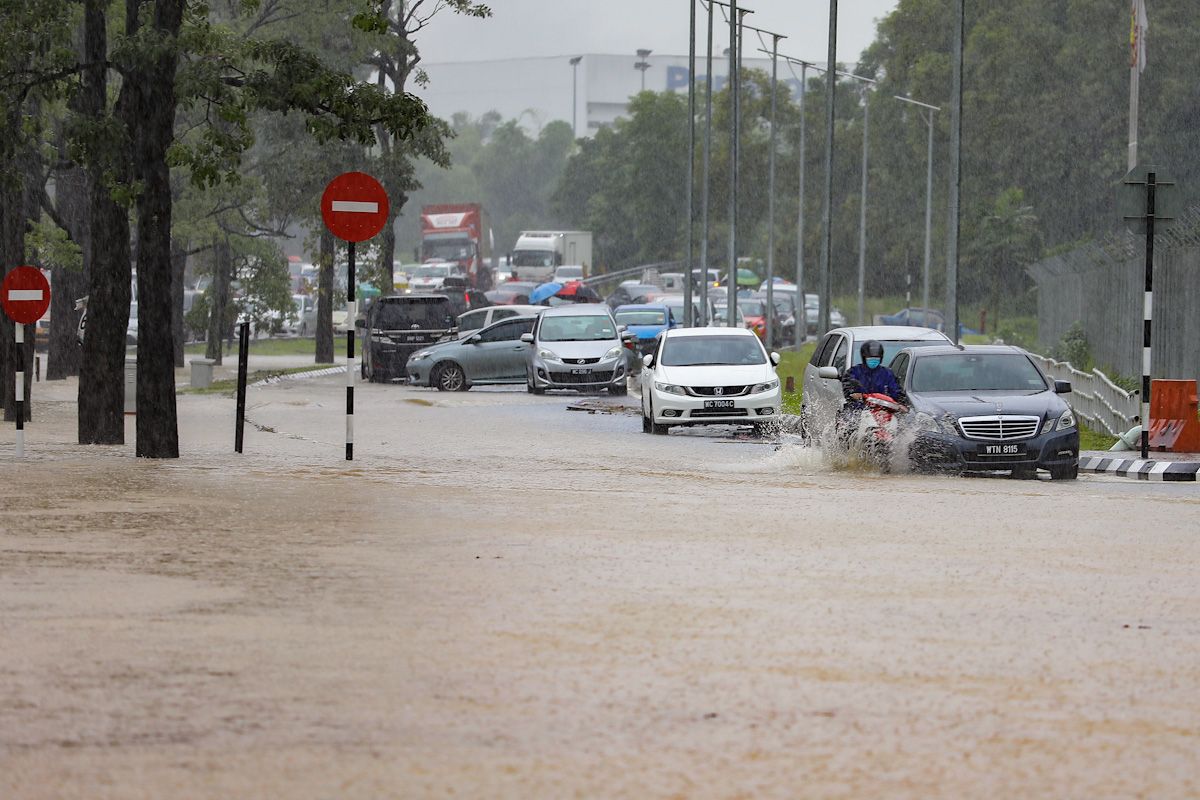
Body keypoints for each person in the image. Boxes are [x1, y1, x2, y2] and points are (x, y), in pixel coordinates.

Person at [837, 340, 908, 441]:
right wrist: (854, 393)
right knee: (849, 426)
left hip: (883, 409)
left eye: (876, 359)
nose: (873, 361)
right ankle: (847, 450)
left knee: (902, 427)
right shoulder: (854, 372)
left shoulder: (887, 373)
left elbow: (897, 390)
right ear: (864, 358)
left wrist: (901, 403)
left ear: (881, 358)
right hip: (859, 408)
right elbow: (848, 385)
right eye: (870, 359)